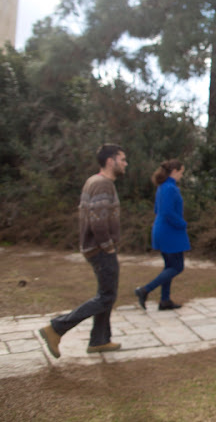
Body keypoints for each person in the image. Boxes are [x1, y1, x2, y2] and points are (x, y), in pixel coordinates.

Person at [39, 144, 128, 358]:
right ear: (110, 161)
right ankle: (56, 328)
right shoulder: (102, 184)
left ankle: (99, 340)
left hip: (97, 249)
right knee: (106, 297)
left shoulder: (96, 181)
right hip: (100, 249)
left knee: (107, 295)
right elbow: (98, 223)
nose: (125, 163)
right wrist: (108, 247)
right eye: (122, 159)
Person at [135, 159, 189, 311]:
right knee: (177, 267)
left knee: (169, 266)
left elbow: (157, 210)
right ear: (174, 171)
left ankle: (165, 300)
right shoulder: (170, 188)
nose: (181, 176)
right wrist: (182, 223)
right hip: (169, 231)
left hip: (163, 229)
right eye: (181, 172)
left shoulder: (163, 187)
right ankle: (144, 290)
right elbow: (166, 212)